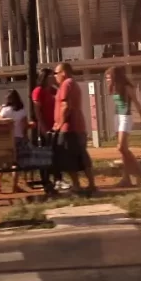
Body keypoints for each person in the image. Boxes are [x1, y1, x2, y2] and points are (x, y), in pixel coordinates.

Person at [53, 62, 96, 195]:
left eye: (56, 73)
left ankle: (77, 185)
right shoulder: (74, 83)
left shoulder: (66, 84)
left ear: (63, 73)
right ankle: (91, 184)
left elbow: (66, 106)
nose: (55, 76)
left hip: (69, 128)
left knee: (68, 157)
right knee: (82, 156)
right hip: (78, 127)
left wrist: (59, 124)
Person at [106, 65, 141, 187]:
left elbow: (137, 103)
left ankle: (140, 171)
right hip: (117, 117)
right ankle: (126, 178)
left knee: (121, 148)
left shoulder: (127, 87)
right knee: (123, 151)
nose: (108, 80)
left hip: (125, 117)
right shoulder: (114, 88)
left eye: (109, 77)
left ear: (116, 77)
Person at [0, 90, 27, 193]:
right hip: (18, 137)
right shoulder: (22, 111)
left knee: (3, 162)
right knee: (16, 163)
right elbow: (24, 126)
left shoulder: (4, 110)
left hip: (6, 139)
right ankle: (14, 185)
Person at [31, 68, 57, 133]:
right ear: (44, 78)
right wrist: (43, 127)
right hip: (46, 126)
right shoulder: (39, 91)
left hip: (56, 126)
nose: (53, 77)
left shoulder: (54, 90)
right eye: (51, 76)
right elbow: (37, 111)